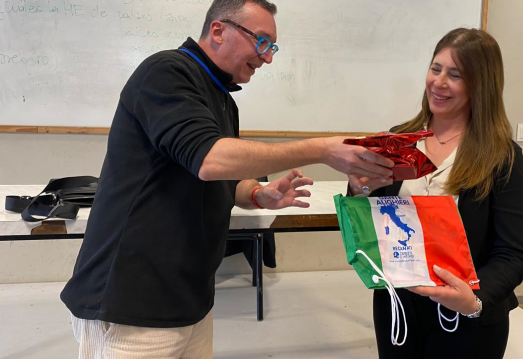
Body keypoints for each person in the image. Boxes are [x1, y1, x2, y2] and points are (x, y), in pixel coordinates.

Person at [61, 0, 394, 357]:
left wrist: (257, 193)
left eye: (272, 47)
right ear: (218, 30)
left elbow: (215, 178)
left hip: (189, 298)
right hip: (131, 303)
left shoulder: (221, 97)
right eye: (261, 42)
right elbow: (208, 159)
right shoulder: (166, 72)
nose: (267, 58)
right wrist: (323, 150)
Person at [347, 28, 523, 358]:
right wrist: (359, 189)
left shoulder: (502, 157)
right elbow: (370, 228)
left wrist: (474, 300)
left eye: (455, 74)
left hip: (468, 317)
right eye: (436, 68)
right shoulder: (396, 141)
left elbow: (513, 255)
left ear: (480, 86)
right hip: (398, 308)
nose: (439, 82)